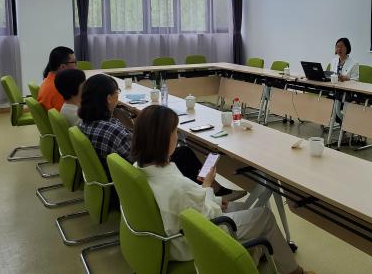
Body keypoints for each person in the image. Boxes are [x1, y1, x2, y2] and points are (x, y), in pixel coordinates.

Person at [132, 105, 314, 274]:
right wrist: (208, 186)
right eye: (174, 131)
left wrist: (215, 199)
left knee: (241, 208)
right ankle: (294, 272)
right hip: (191, 240)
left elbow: (189, 204)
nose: (176, 134)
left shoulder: (139, 167)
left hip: (173, 231)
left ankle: (254, 253)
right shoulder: (177, 185)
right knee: (264, 216)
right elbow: (204, 219)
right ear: (163, 139)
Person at [77, 74, 232, 192]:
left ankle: (208, 189)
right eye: (117, 92)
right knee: (184, 154)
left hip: (119, 178)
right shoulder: (112, 131)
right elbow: (142, 158)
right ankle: (206, 190)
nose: (118, 95)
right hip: (140, 179)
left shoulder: (84, 122)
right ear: (109, 98)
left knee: (183, 152)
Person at [38, 46, 77, 111]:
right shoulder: (58, 89)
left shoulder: (48, 80)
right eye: (74, 62)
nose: (76, 66)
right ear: (62, 67)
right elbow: (67, 113)